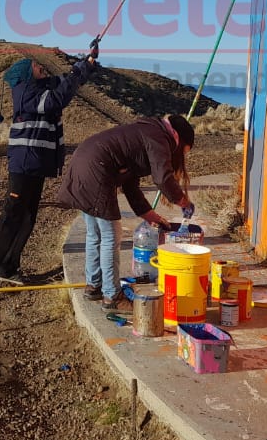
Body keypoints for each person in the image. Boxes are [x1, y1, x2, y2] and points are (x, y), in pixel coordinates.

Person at [0, 42, 99, 288]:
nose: (40, 67)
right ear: (25, 73)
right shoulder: (26, 93)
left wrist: (87, 63)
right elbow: (57, 99)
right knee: (12, 214)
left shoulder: (38, 87)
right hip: (24, 164)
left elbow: (64, 82)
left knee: (28, 217)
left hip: (36, 164)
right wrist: (76, 74)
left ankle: (8, 267)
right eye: (35, 65)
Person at [55, 113, 195, 310]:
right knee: (111, 235)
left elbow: (130, 183)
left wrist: (148, 214)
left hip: (84, 164)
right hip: (96, 170)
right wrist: (183, 201)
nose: (181, 157)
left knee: (94, 233)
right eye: (184, 152)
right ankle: (112, 296)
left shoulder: (146, 132)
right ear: (178, 140)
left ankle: (94, 285)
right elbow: (163, 178)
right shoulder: (158, 137)